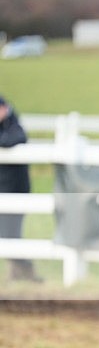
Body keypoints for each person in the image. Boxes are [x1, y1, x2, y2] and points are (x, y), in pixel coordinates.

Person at [0, 95, 40, 282]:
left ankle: (25, 273)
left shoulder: (13, 125)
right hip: (5, 189)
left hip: (14, 189)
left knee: (10, 233)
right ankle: (19, 273)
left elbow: (16, 138)